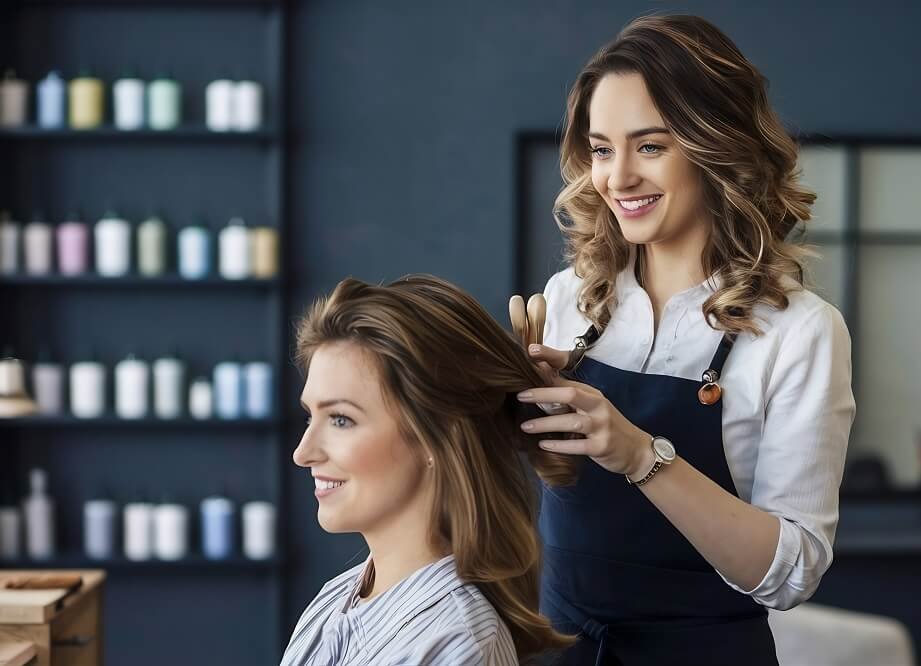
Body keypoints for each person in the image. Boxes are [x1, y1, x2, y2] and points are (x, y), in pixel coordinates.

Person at [515, 14, 856, 665]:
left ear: (713, 144)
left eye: (648, 146)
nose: (616, 178)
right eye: (600, 149)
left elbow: (791, 574)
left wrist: (640, 454)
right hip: (558, 650)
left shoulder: (798, 332)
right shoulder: (568, 298)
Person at [281, 275, 577, 665]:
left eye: (340, 420)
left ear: (436, 437)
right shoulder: (332, 605)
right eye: (309, 417)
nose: (303, 453)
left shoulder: (457, 645)